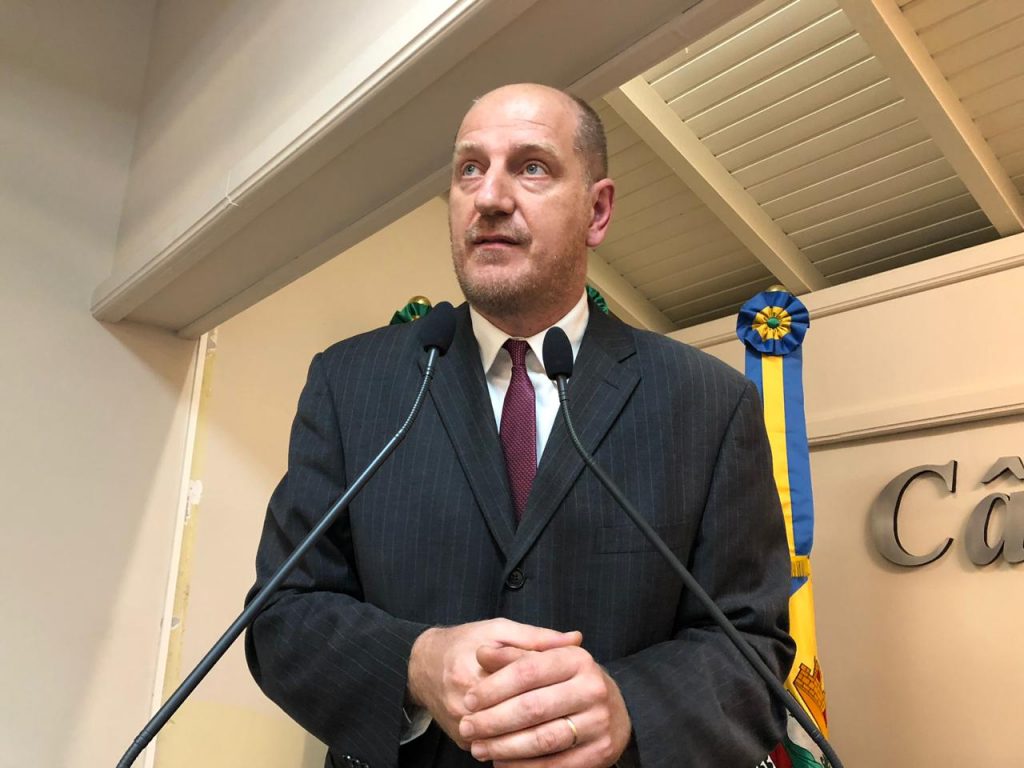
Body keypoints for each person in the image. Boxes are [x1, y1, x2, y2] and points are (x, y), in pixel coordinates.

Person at [245, 83, 794, 768]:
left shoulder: (709, 402)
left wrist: (630, 706)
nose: (490, 197)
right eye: (469, 169)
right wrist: (416, 663)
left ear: (597, 210)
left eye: (532, 167)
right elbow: (282, 616)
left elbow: (754, 650)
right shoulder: (349, 383)